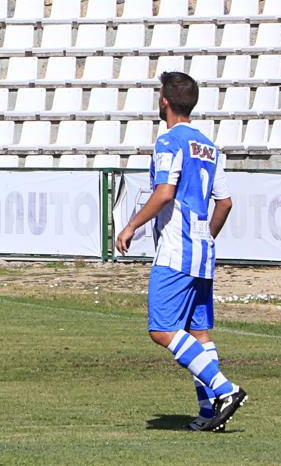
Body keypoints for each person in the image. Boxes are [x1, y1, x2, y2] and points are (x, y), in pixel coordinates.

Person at [116, 72, 247, 432]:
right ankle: (209, 415)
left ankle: (225, 389)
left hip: (176, 251)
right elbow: (225, 202)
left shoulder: (168, 142)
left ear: (164, 101)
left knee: (162, 330)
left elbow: (164, 193)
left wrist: (130, 226)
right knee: (199, 334)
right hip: (203, 252)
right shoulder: (210, 146)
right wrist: (206, 236)